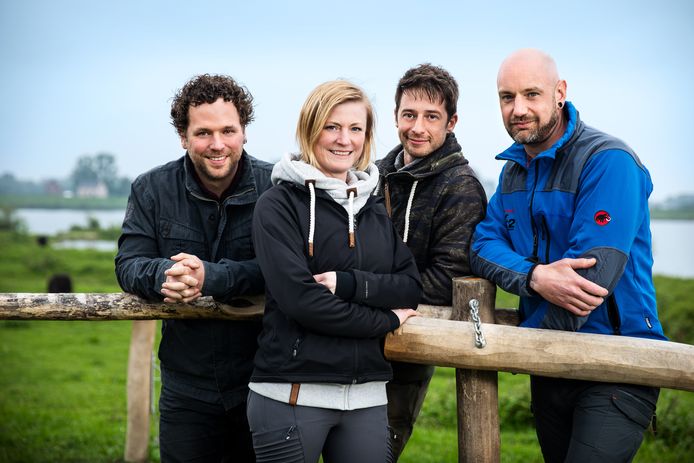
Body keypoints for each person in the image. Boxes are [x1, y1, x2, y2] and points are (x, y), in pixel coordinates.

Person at [471, 48, 667, 463]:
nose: (518, 109)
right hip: (551, 369)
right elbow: (482, 246)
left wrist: (519, 347)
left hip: (618, 364)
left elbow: (589, 285)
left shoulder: (608, 161)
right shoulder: (513, 172)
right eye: (507, 97)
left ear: (560, 92)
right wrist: (534, 276)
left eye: (531, 94)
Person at [248, 80, 422, 463]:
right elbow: (303, 303)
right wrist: (386, 320)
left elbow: (410, 286)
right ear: (311, 128)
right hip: (292, 393)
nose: (345, 140)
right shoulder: (277, 205)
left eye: (355, 129)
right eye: (332, 126)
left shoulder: (373, 208)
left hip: (367, 398)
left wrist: (348, 284)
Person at [115, 74, 273, 462]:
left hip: (265, 381)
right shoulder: (151, 188)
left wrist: (210, 277)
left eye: (228, 130)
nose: (217, 145)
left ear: (244, 132)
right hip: (186, 385)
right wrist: (164, 276)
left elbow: (286, 270)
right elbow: (128, 262)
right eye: (203, 133)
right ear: (183, 136)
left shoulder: (277, 188)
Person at [376, 63, 487, 459]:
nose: (417, 127)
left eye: (431, 117)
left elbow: (447, 279)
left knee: (377, 449)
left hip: (408, 345)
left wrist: (363, 289)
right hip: (351, 338)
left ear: (451, 122)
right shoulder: (376, 175)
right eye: (409, 115)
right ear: (395, 117)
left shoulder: (461, 188)